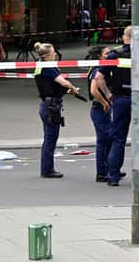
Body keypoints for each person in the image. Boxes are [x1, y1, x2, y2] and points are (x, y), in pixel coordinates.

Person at [33, 41, 80, 178]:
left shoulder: (39, 66)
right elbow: (64, 82)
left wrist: (66, 91)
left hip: (45, 104)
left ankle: (46, 168)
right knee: (51, 138)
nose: (55, 54)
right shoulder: (49, 67)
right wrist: (72, 89)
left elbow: (49, 86)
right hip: (51, 107)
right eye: (53, 52)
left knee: (48, 137)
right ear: (47, 55)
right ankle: (47, 170)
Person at [99, 25, 133, 186]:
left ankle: (113, 176)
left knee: (118, 138)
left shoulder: (115, 54)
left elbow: (99, 77)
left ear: (124, 37)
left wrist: (108, 95)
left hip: (120, 99)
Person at [87, 45, 112, 182]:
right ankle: (102, 172)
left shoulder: (98, 69)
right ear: (99, 56)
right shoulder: (97, 70)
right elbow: (93, 90)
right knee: (103, 141)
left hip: (101, 109)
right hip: (100, 109)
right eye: (107, 53)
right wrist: (104, 102)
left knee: (107, 140)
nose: (110, 56)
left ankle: (108, 169)